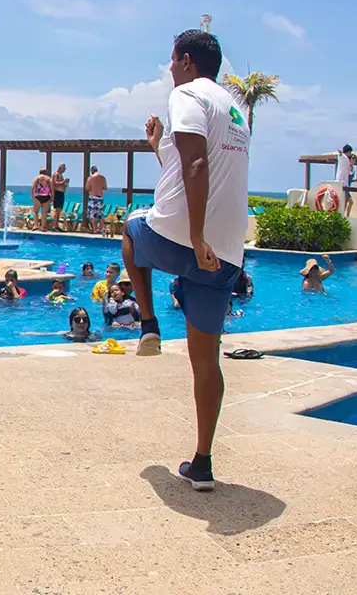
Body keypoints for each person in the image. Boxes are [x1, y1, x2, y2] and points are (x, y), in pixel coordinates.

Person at [121, 30, 249, 492]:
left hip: (186, 241)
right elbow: (183, 172)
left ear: (188, 61)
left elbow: (195, 165)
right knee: (206, 360)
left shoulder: (186, 94)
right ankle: (203, 463)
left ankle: (150, 324)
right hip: (227, 255)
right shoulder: (235, 112)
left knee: (131, 230)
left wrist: (195, 238)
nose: (169, 67)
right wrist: (157, 144)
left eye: (172, 60)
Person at [85, 166, 107, 234]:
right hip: (100, 198)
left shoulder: (90, 178)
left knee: (92, 215)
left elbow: (87, 188)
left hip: (93, 198)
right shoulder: (103, 178)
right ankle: (102, 229)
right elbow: (105, 187)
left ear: (91, 171)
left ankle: (95, 230)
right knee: (100, 214)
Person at [50, 163, 70, 231]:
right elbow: (55, 183)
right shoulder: (56, 174)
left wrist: (64, 184)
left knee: (59, 210)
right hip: (57, 193)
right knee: (57, 210)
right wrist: (64, 181)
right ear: (60, 168)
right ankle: (54, 226)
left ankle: (56, 225)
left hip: (61, 193)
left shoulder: (61, 175)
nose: (65, 169)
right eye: (64, 168)